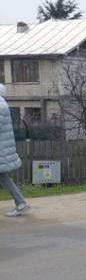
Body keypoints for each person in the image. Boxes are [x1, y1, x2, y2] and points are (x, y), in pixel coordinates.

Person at [0, 83, 29, 217]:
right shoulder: (2, 103)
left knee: (3, 177)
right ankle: (21, 202)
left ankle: (21, 202)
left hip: (1, 148)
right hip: (3, 146)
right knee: (3, 177)